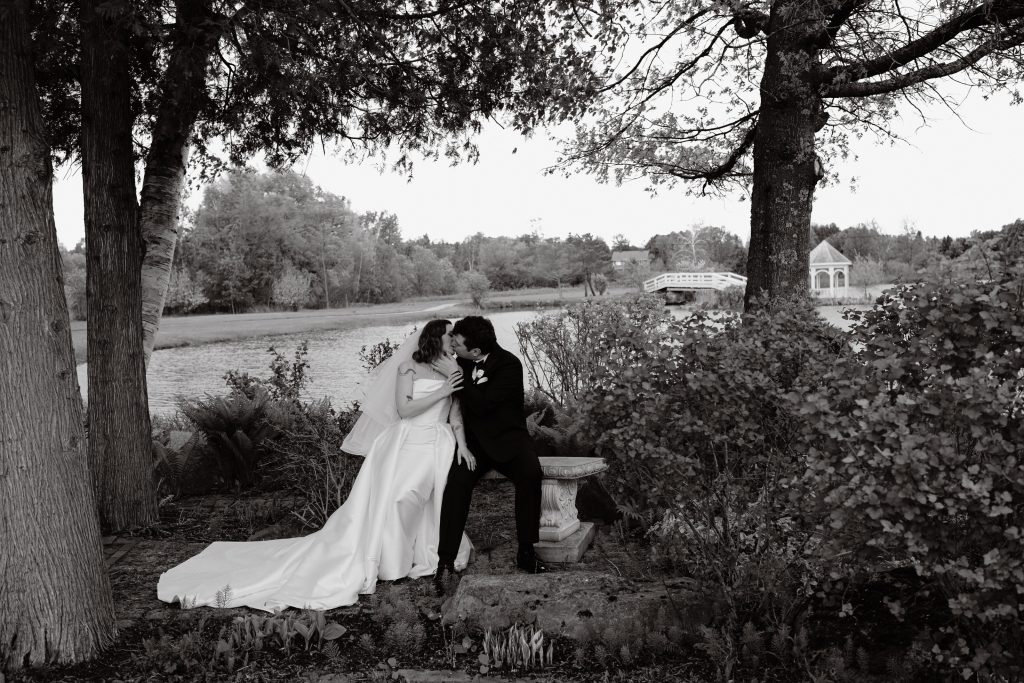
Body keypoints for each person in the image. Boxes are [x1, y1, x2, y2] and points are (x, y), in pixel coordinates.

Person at [157, 320, 472, 611]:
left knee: (437, 502)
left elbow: (456, 410)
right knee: (401, 499)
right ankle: (393, 562)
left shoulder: (454, 368)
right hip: (409, 443)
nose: (454, 338)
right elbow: (404, 410)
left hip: (439, 445)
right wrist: (443, 389)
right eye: (449, 334)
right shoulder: (408, 368)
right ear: (434, 338)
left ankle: (430, 555)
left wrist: (462, 443)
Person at [431, 315, 547, 594]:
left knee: (531, 475)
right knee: (456, 486)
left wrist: (456, 376)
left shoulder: (508, 364)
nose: (453, 346)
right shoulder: (458, 360)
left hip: (509, 439)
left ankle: (526, 551)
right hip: (474, 445)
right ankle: (444, 563)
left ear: (476, 352)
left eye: (457, 344)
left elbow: (483, 405)